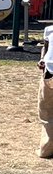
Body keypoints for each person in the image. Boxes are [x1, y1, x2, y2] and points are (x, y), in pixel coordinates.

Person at [38, 23, 53, 158]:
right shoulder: (49, 30)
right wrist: (42, 59)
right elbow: (45, 47)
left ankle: (46, 150)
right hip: (49, 73)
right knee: (46, 111)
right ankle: (46, 148)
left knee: (47, 113)